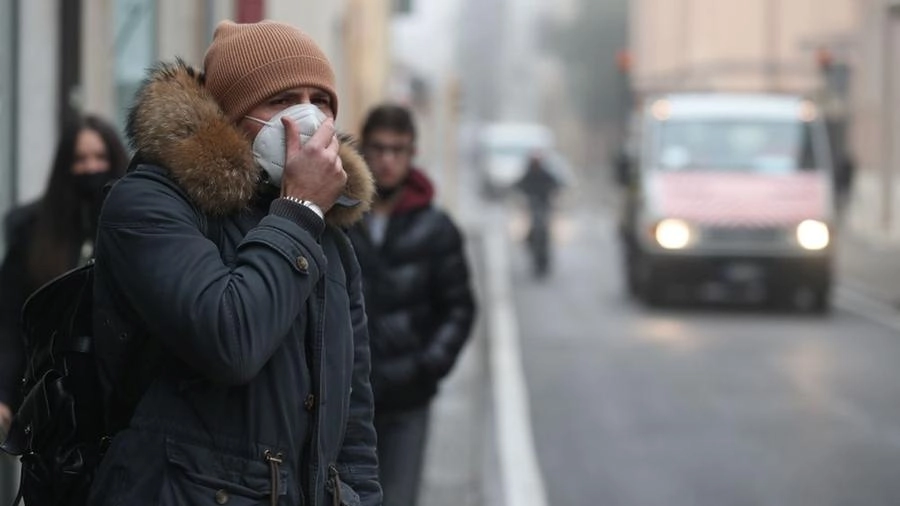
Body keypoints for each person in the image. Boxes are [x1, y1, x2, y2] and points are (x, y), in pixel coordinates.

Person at [85, 21, 380, 506]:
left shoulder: (329, 239)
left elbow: (354, 422)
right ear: (231, 116)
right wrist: (301, 208)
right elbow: (230, 340)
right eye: (282, 100)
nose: (307, 116)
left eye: (320, 101)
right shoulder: (151, 204)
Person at [347, 104, 476, 506]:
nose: (387, 161)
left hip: (407, 400)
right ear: (363, 150)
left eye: (398, 151)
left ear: (411, 154)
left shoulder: (436, 228)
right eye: (379, 149)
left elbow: (459, 309)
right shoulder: (339, 219)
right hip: (345, 401)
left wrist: (426, 367)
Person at [0, 115, 128, 444]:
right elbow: (11, 318)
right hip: (51, 399)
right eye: (81, 159)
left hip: (120, 395)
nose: (91, 168)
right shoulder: (32, 231)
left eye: (100, 158)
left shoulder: (134, 227)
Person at [516, 150, 561, 277]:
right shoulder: (529, 174)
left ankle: (544, 261)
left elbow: (555, 184)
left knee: (544, 234)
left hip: (544, 207)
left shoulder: (545, 175)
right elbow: (519, 185)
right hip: (532, 209)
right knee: (531, 234)